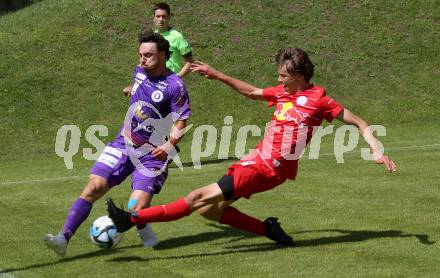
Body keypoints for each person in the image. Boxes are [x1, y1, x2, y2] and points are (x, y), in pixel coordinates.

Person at [106, 47, 397, 246]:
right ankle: (268, 229)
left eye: (283, 75)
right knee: (209, 210)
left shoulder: (319, 100)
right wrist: (218, 74)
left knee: (197, 197)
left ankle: (131, 218)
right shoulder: (283, 94)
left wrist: (376, 149)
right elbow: (253, 92)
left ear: (298, 76)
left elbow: (359, 122)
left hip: (269, 168)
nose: (279, 79)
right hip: (257, 160)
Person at [44, 30, 191, 256]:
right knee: (93, 187)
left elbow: (181, 122)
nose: (142, 59)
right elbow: (139, 86)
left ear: (162, 55)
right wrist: (130, 90)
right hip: (123, 144)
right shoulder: (140, 71)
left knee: (135, 208)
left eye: (148, 55)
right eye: (140, 54)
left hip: (152, 155)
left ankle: (144, 229)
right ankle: (63, 238)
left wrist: (169, 145)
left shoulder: (175, 85)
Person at [123, 3, 193, 96]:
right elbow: (146, 62)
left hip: (168, 84)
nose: (161, 19)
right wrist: (134, 85)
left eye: (164, 16)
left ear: (169, 18)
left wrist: (176, 78)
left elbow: (190, 62)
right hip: (154, 81)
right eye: (158, 16)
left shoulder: (177, 37)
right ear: (154, 18)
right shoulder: (154, 36)